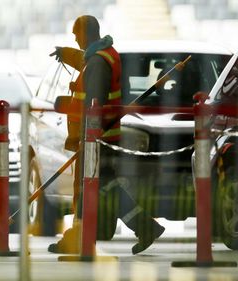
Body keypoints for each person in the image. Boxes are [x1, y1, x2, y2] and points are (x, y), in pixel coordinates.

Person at [48, 15, 164, 255]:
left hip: (96, 139)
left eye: (75, 34)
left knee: (87, 188)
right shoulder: (102, 54)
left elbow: (94, 103)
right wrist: (64, 52)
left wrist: (73, 113)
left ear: (86, 34)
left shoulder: (98, 63)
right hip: (102, 137)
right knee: (107, 188)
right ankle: (145, 228)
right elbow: (84, 60)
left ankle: (78, 238)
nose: (74, 38)